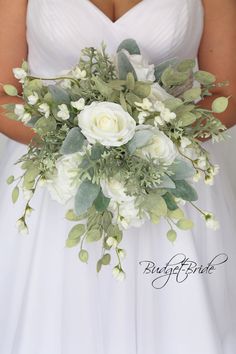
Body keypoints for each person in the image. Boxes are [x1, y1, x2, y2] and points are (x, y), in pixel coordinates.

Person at [0, 1, 235, 353]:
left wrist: (145, 144)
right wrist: (80, 145)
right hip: (54, 191)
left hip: (171, 183)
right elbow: (4, 93)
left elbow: (225, 96)